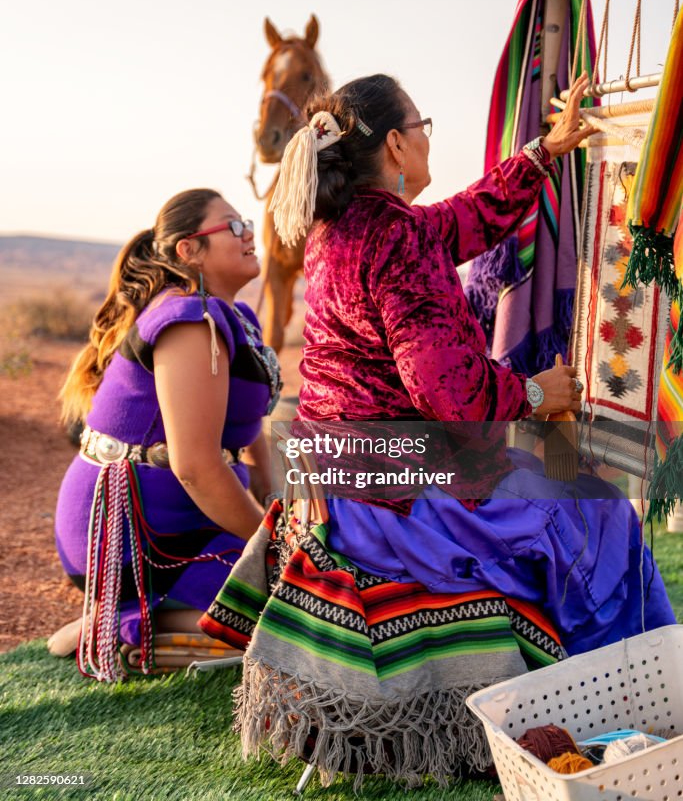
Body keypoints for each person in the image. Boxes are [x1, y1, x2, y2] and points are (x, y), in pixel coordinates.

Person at [200, 78, 675, 785]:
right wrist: (533, 392)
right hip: (396, 492)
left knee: (562, 478)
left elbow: (462, 220)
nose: (428, 136)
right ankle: (623, 715)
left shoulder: (348, 226)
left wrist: (542, 154)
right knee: (595, 507)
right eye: (420, 124)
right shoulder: (392, 236)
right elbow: (448, 392)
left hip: (347, 471)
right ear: (395, 143)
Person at [51, 188, 281, 680]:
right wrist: (275, 543)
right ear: (189, 251)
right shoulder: (187, 322)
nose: (249, 234)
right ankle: (125, 621)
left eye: (247, 223)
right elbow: (195, 467)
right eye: (233, 226)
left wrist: (279, 511)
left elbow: (249, 434)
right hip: (129, 533)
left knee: (316, 587)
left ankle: (142, 619)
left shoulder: (236, 318)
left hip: (189, 523)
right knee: (301, 607)